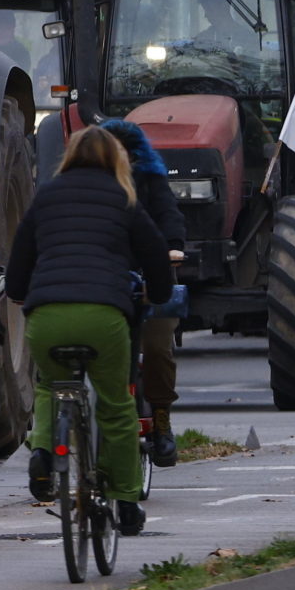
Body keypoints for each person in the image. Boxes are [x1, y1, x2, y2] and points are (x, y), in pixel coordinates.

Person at [4, 124, 174, 534]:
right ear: (115, 158)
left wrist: (22, 293)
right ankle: (127, 502)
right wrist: (158, 293)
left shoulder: (46, 196)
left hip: (47, 316)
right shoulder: (124, 197)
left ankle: (43, 452)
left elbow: (18, 264)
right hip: (104, 315)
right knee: (116, 406)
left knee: (50, 386)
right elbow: (155, 253)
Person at [99, 118, 188, 466]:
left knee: (157, 345)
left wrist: (174, 246)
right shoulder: (91, 184)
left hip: (149, 276)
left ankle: (161, 419)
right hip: (105, 279)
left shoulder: (151, 180)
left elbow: (169, 214)